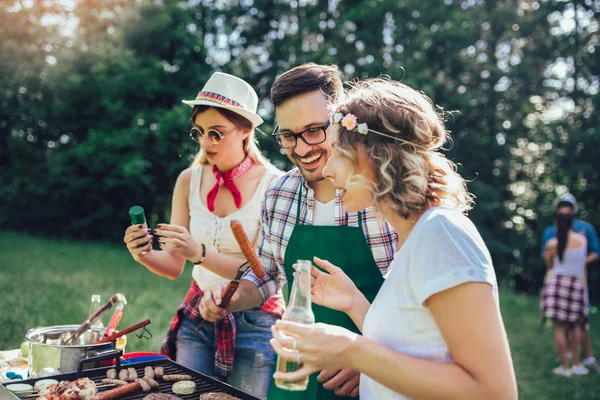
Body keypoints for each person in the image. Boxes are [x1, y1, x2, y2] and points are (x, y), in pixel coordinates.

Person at [269, 78, 518, 400]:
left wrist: (353, 351)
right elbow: (415, 343)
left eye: (337, 155)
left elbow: (494, 392)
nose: (327, 170)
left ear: (370, 157)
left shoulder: (442, 234)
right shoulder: (413, 238)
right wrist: (355, 302)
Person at [199, 64, 398, 399]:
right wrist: (229, 298)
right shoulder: (278, 194)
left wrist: (369, 359)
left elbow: (415, 306)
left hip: (373, 376)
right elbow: (265, 277)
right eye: (289, 135)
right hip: (295, 375)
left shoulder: (382, 194)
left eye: (314, 131)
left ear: (341, 121)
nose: (302, 149)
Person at [122, 72, 284, 398]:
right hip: (198, 316)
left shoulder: (274, 185)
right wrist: (141, 252)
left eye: (216, 133)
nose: (205, 142)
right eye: (199, 132)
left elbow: (264, 272)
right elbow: (173, 266)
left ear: (246, 131)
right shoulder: (188, 180)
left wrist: (200, 253)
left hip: (255, 320)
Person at [541, 193, 600, 373]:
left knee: (562, 324)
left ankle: (568, 366)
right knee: (576, 322)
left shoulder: (553, 240)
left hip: (560, 281)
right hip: (576, 282)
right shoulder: (581, 238)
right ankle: (576, 363)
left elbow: (549, 262)